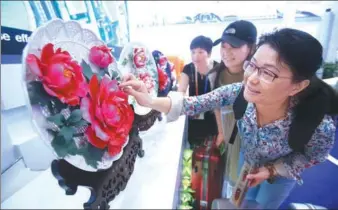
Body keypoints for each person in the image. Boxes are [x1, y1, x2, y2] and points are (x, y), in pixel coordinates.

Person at [120, 28, 338, 209]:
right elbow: (191, 103)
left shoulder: (319, 125)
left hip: (281, 173)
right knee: (242, 200)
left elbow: (313, 156)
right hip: (248, 158)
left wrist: (272, 170)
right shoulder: (238, 92)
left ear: (297, 86)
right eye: (252, 65)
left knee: (265, 205)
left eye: (268, 73)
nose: (251, 79)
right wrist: (149, 100)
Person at [209, 20, 257, 147]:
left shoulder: (257, 78)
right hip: (228, 135)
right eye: (223, 45)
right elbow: (217, 107)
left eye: (234, 46)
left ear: (251, 48)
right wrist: (221, 132)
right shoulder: (215, 76)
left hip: (251, 141)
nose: (226, 51)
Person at [178, 35, 219, 147]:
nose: (196, 56)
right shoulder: (188, 68)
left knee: (212, 149)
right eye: (193, 52)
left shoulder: (217, 68)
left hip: (214, 116)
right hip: (195, 115)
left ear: (209, 53)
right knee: (194, 146)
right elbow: (181, 91)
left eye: (201, 52)